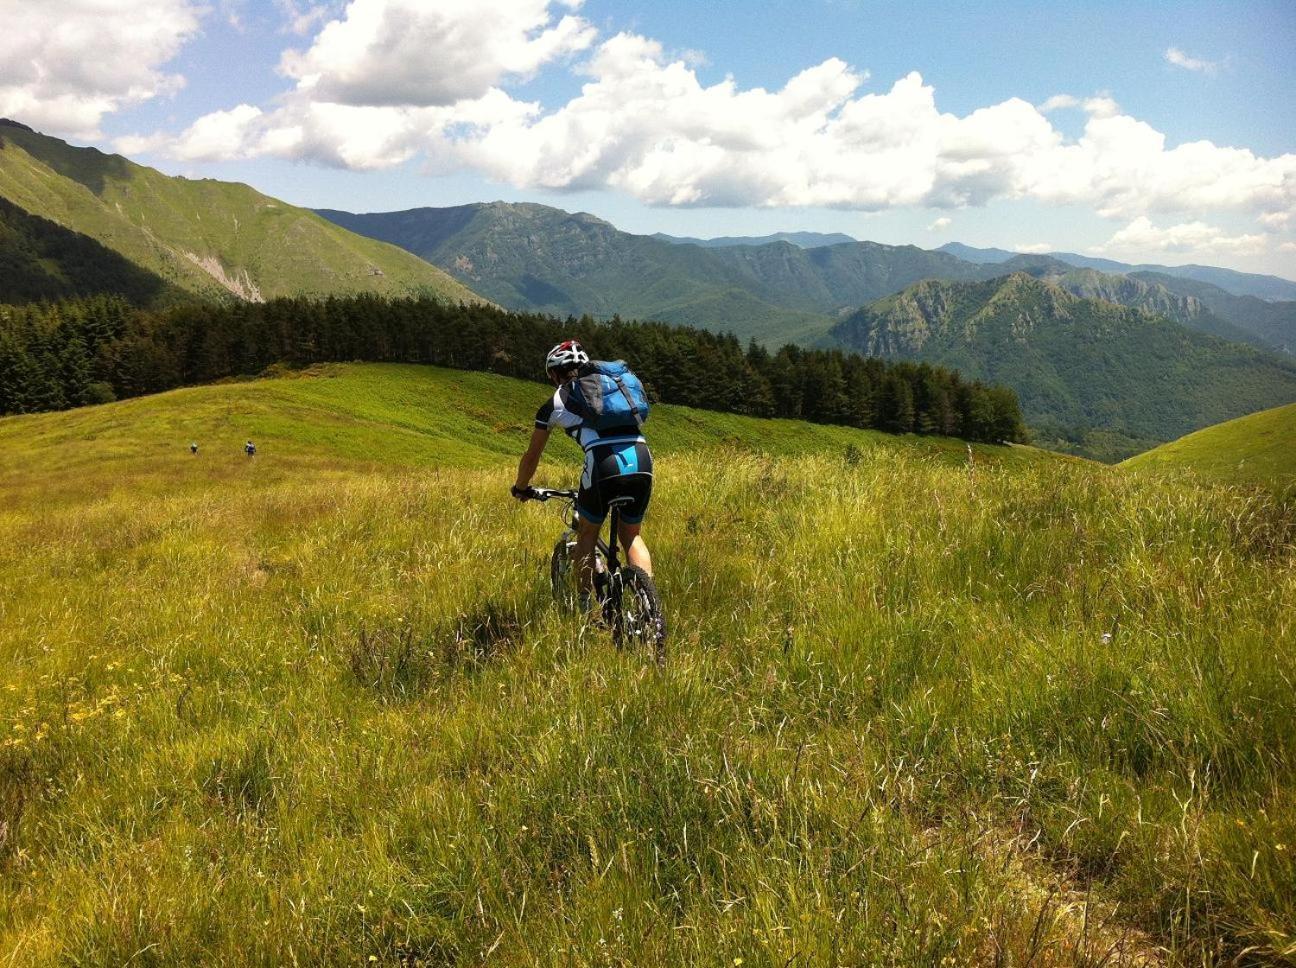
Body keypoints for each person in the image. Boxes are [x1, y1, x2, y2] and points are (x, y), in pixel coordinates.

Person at [512, 340, 654, 614]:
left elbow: (532, 456)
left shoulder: (556, 401)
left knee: (587, 534)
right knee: (632, 537)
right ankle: (648, 607)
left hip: (603, 464)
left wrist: (521, 487)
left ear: (554, 374)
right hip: (642, 457)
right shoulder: (615, 389)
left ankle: (587, 609)